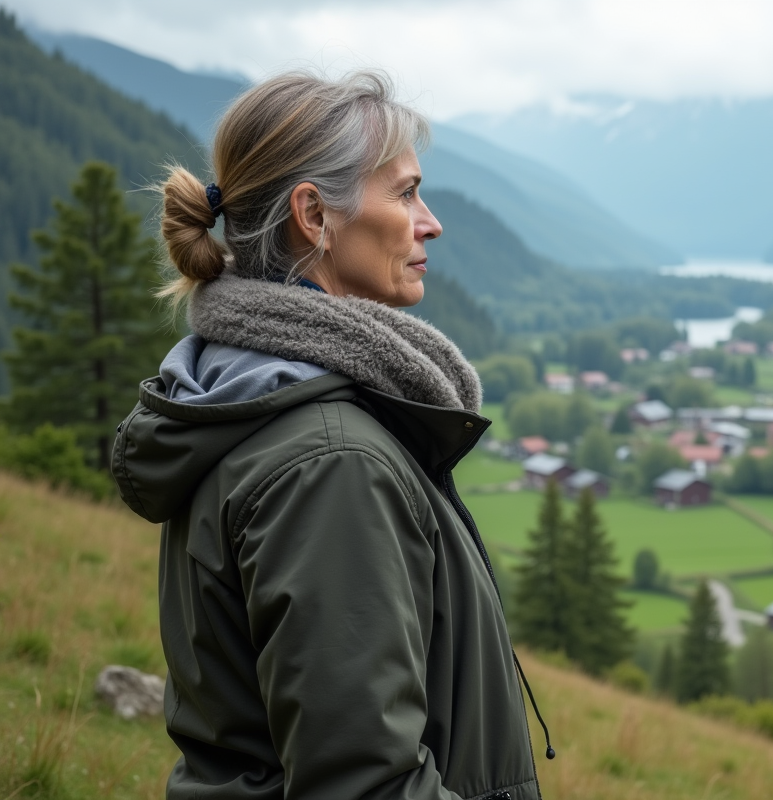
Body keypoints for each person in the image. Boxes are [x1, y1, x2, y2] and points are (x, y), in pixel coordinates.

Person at [111, 71, 547, 800]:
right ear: (314, 215)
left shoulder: (243, 391)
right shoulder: (330, 461)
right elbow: (365, 785)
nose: (430, 221)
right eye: (405, 193)